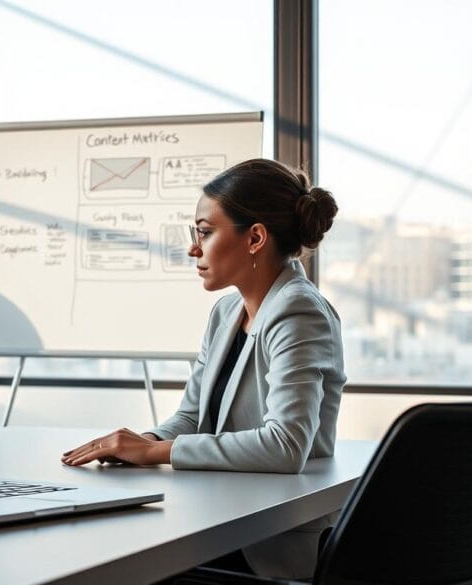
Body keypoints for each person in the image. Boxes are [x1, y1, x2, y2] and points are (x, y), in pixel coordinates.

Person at [61, 158, 344, 580]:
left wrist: (154, 453)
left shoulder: (299, 311)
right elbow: (192, 417)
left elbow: (286, 445)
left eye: (206, 233)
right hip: (221, 514)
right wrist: (143, 443)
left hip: (270, 545)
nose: (194, 248)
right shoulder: (227, 311)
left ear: (255, 238)